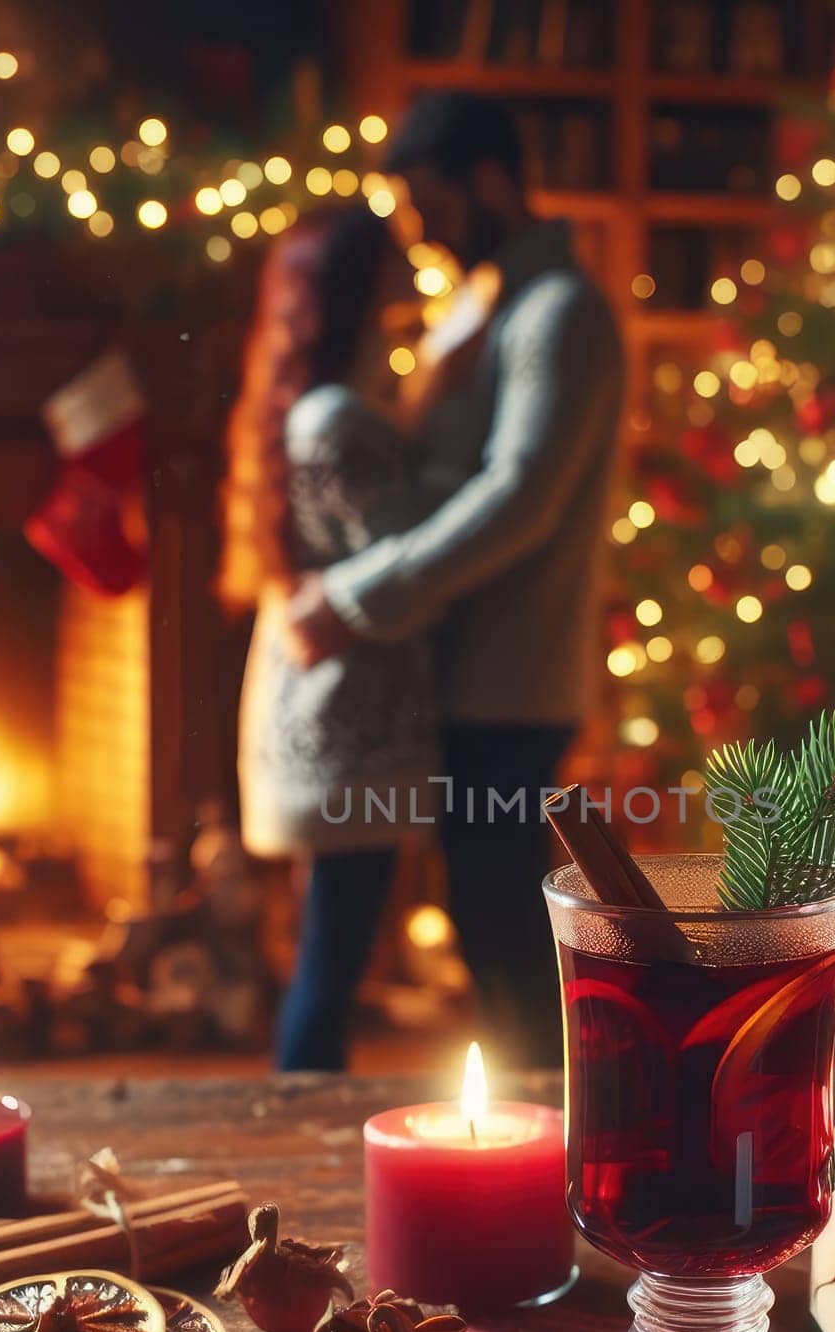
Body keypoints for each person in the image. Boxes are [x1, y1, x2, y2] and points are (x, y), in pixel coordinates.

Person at [284, 92, 625, 1070]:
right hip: (464, 677)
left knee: (500, 934)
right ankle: (553, 1145)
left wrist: (354, 600)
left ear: (487, 180)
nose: (419, 232)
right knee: (485, 927)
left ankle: (565, 1154)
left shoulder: (557, 313)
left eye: (427, 201)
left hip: (509, 687)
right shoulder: (491, 307)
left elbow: (517, 497)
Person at [223, 205, 440, 1073]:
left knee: (330, 948)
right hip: (350, 730)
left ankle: (300, 1100)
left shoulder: (300, 407)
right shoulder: (340, 420)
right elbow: (411, 557)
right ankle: (301, 1118)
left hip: (318, 718)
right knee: (333, 961)